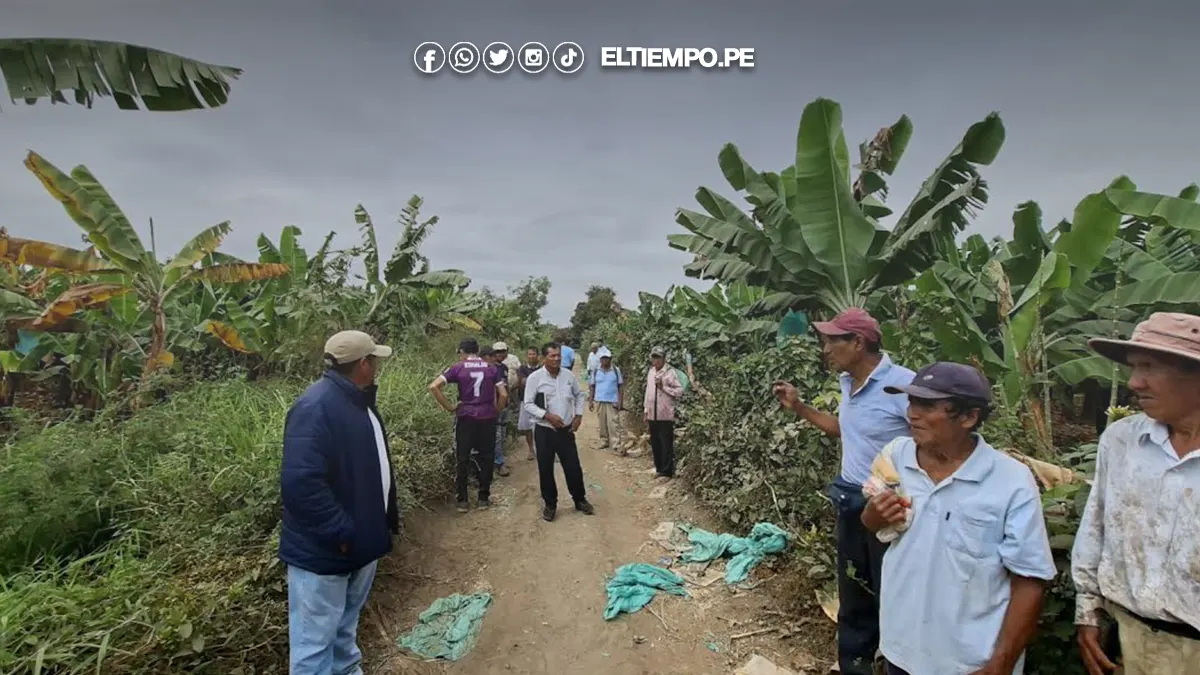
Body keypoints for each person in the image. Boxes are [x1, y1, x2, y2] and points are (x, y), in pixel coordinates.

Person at [863, 361, 1057, 675]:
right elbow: (872, 524)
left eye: (927, 405)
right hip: (900, 650)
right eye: (911, 401)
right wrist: (874, 514)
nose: (912, 413)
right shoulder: (896, 457)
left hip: (968, 662)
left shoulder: (1011, 481)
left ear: (969, 416)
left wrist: (1000, 664)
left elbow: (1030, 582)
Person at [772, 307, 914, 675]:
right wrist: (799, 407)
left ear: (857, 342)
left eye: (831, 341)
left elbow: (932, 444)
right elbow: (843, 430)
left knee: (892, 595)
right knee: (854, 593)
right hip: (850, 500)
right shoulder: (848, 383)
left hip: (888, 507)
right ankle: (856, 666)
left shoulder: (902, 385)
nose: (824, 349)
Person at [1071, 312, 1200, 675]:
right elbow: (1096, 524)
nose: (1134, 382)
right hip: (1127, 639)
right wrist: (1088, 609)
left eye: (1148, 367)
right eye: (1132, 367)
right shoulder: (1122, 439)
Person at [279, 330, 400, 675]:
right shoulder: (315, 407)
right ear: (363, 364)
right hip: (328, 553)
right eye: (374, 360)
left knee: (344, 632)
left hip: (356, 546)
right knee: (313, 646)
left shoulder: (355, 401)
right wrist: (343, 533)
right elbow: (301, 484)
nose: (376, 366)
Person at [429, 338, 507, 513]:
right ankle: (483, 498)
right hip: (487, 417)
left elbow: (434, 386)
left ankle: (462, 500)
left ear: (462, 352)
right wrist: (496, 411)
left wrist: (450, 407)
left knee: (462, 457)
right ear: (478, 350)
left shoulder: (458, 367)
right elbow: (503, 394)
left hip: (466, 417)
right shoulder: (491, 368)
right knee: (487, 456)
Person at [523, 342, 594, 522]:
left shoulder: (568, 376)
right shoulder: (535, 378)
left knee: (573, 467)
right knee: (545, 469)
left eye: (558, 356)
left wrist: (578, 415)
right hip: (545, 430)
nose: (556, 359)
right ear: (543, 358)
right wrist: (546, 415)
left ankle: (579, 499)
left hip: (565, 430)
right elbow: (528, 404)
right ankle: (550, 505)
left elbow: (579, 395)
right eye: (552, 356)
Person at [643, 345, 683, 480]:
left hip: (665, 414)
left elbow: (679, 391)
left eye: (658, 357)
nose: (656, 360)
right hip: (652, 414)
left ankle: (667, 471)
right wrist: (645, 410)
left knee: (666, 442)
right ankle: (659, 468)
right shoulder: (651, 372)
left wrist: (663, 387)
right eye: (654, 357)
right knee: (655, 442)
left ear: (664, 358)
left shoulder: (670, 372)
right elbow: (648, 392)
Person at [482, 345, 513, 478]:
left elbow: (506, 387)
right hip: (494, 407)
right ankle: (498, 464)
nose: (499, 355)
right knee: (497, 436)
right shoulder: (489, 369)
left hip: (503, 406)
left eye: (502, 352)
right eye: (496, 353)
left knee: (502, 434)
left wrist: (508, 401)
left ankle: (499, 460)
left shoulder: (504, 368)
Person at [589, 347, 624, 452]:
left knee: (613, 423)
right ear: (600, 359)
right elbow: (592, 386)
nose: (604, 360)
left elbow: (621, 386)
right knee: (602, 422)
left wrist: (620, 401)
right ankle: (604, 441)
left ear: (610, 359)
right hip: (600, 400)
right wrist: (590, 401)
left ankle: (616, 443)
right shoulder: (596, 371)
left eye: (607, 358)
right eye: (603, 358)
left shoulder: (616, 370)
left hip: (612, 400)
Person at [516, 346, 541, 461]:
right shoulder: (522, 368)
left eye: (533, 354)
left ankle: (543, 449)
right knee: (527, 428)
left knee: (543, 426)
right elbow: (522, 383)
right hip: (525, 401)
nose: (531, 356)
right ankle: (531, 449)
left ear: (538, 356)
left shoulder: (543, 368)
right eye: (529, 354)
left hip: (540, 402)